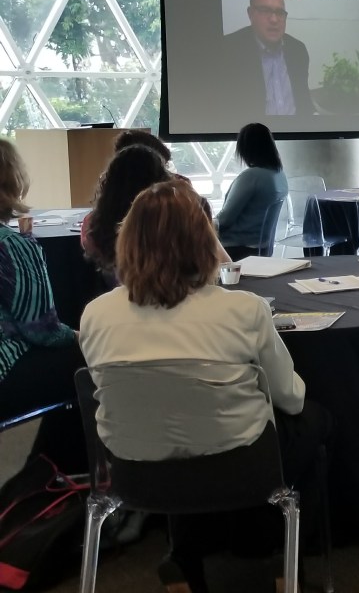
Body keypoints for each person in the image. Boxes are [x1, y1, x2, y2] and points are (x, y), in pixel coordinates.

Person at [79, 181, 329, 593]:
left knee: (172, 425)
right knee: (314, 422)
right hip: (241, 470)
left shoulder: (95, 315)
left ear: (129, 241)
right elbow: (291, 397)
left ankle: (183, 558)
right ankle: (283, 556)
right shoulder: (243, 309)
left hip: (135, 474)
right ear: (205, 240)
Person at [0, 139, 86, 472]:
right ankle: (69, 475)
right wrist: (84, 336)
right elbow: (42, 331)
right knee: (93, 360)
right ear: (14, 181)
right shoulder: (11, 246)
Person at [224, 0, 314, 117]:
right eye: (265, 11)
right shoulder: (228, 51)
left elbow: (304, 102)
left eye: (279, 12)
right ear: (250, 14)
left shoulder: (298, 50)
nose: (274, 19)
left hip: (295, 134)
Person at [82, 145, 172, 272]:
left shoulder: (92, 224)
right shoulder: (170, 220)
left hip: (115, 287)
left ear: (110, 181)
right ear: (160, 180)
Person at [217, 123, 288, 260]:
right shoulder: (279, 175)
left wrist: (203, 223)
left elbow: (225, 220)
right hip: (263, 247)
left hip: (236, 249)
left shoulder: (251, 177)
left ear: (245, 149)